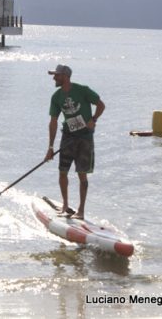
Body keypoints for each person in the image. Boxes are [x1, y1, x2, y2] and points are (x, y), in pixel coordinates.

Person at [44, 64, 105, 220]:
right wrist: (50, 147)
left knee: (82, 175)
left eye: (56, 75)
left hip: (85, 138)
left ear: (65, 76)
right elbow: (53, 122)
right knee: (62, 171)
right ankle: (65, 205)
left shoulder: (82, 90)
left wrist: (93, 119)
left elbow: (101, 105)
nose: (54, 78)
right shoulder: (56, 97)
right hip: (68, 137)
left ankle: (81, 211)